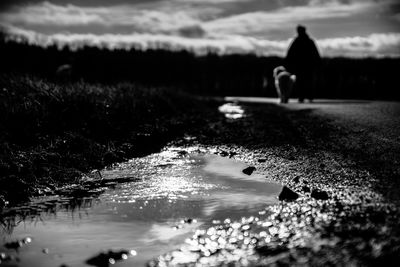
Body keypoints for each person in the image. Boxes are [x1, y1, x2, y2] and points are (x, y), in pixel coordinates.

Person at [286, 25, 321, 103]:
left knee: (302, 81)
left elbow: (290, 54)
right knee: (307, 80)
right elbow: (316, 53)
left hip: (302, 65)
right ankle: (307, 96)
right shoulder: (308, 41)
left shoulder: (298, 41)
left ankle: (303, 96)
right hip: (306, 65)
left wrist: (289, 62)